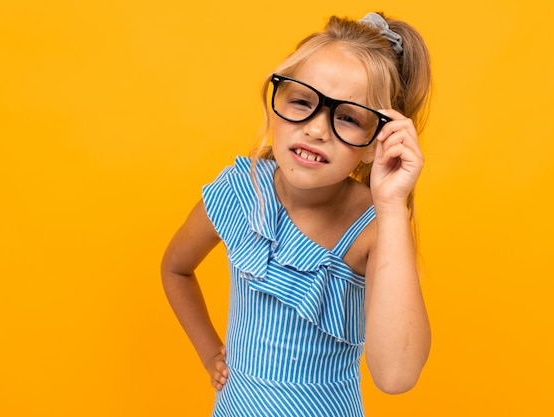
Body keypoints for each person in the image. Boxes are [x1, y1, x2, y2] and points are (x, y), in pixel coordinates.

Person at [161, 11, 432, 416]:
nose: (317, 129)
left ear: (378, 142)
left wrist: (392, 205)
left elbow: (395, 376)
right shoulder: (241, 192)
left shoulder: (375, 228)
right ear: (274, 107)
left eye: (348, 118)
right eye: (302, 101)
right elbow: (176, 268)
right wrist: (208, 354)